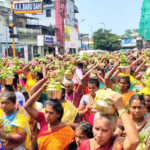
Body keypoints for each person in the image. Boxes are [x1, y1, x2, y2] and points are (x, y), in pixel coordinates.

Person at [24, 79, 75, 150]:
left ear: (58, 114)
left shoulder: (67, 130)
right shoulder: (43, 120)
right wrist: (41, 89)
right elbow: (27, 106)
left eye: (51, 113)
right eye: (46, 112)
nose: (47, 116)